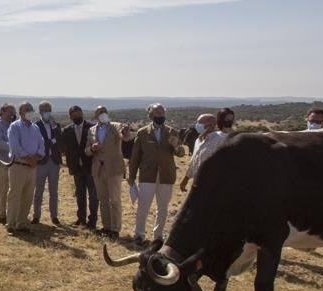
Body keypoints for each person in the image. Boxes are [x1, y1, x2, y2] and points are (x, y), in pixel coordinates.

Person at [128, 103, 184, 246]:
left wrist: (176, 145)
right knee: (143, 206)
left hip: (166, 175)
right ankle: (139, 235)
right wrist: (131, 176)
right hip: (148, 175)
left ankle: (158, 236)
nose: (161, 117)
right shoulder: (142, 133)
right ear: (151, 116)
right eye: (157, 114)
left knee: (163, 207)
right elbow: (135, 157)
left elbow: (181, 153)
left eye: (162, 114)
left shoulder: (172, 132)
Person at [89, 106, 133, 239]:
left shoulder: (116, 126)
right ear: (95, 116)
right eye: (99, 113)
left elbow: (126, 137)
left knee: (114, 199)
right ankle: (106, 227)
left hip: (113, 169)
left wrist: (126, 132)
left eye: (104, 112)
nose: (102, 114)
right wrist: (91, 148)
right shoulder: (91, 130)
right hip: (98, 169)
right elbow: (86, 149)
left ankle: (115, 229)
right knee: (103, 200)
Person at [5, 101, 45, 234]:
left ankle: (21, 223)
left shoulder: (35, 128)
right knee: (14, 195)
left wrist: (37, 158)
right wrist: (29, 158)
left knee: (28, 196)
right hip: (18, 166)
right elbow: (15, 147)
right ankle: (10, 224)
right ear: (21, 112)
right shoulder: (14, 127)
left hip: (32, 168)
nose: (29, 111)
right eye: (26, 109)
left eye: (31, 109)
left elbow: (41, 145)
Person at [60, 105, 98, 228]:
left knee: (93, 195)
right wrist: (70, 166)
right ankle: (81, 219)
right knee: (80, 194)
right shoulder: (67, 130)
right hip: (76, 168)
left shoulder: (92, 128)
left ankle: (92, 221)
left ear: (82, 113)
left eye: (78, 114)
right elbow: (67, 151)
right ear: (70, 117)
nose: (76, 117)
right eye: (73, 115)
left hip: (91, 167)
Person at [180, 108, 233, 192]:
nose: (197, 125)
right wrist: (186, 179)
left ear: (211, 125)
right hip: (197, 183)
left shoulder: (220, 139)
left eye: (200, 123)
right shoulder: (198, 141)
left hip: (214, 185)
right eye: (197, 122)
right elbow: (194, 161)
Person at [32, 101, 62, 225]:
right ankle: (36, 216)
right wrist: (51, 141)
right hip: (41, 162)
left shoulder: (56, 125)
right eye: (45, 110)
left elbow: (60, 139)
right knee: (38, 190)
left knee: (53, 191)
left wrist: (53, 130)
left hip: (54, 162)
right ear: (40, 111)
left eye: (49, 109)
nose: (47, 112)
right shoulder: (35, 126)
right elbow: (38, 142)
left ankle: (54, 216)